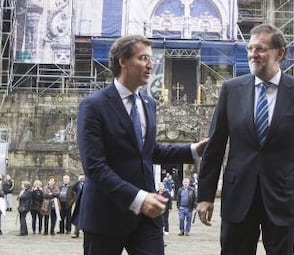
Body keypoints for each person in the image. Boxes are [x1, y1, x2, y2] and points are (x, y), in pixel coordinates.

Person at [196, 23, 294, 255]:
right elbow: (214, 147)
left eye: (260, 49)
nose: (253, 54)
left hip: (282, 197)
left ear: (280, 53)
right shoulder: (231, 90)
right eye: (250, 48)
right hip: (238, 196)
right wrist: (205, 196)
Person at [76, 35, 208, 255]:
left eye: (151, 58)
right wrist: (138, 198)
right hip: (105, 214)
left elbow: (147, 151)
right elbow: (94, 166)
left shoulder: (148, 103)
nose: (151, 64)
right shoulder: (93, 106)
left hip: (147, 218)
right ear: (123, 61)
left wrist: (192, 150)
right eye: (143, 58)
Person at [71, 174, 85, 238]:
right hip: (78, 203)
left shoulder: (86, 184)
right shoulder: (78, 185)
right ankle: (76, 232)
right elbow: (73, 188)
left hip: (85, 202)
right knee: (77, 217)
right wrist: (78, 181)